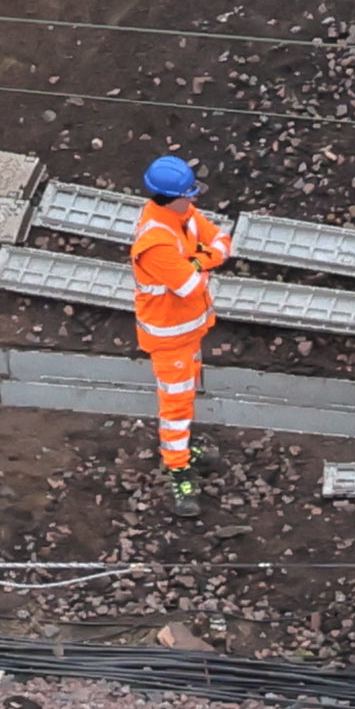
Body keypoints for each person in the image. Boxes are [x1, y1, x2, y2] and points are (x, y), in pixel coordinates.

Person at [129, 153, 231, 505]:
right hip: (169, 339)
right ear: (170, 197)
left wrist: (199, 259)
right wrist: (205, 260)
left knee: (185, 398)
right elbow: (190, 287)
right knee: (175, 406)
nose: (195, 199)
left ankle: (183, 452)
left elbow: (222, 242)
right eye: (189, 193)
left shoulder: (181, 214)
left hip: (188, 331)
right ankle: (178, 471)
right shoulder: (156, 242)